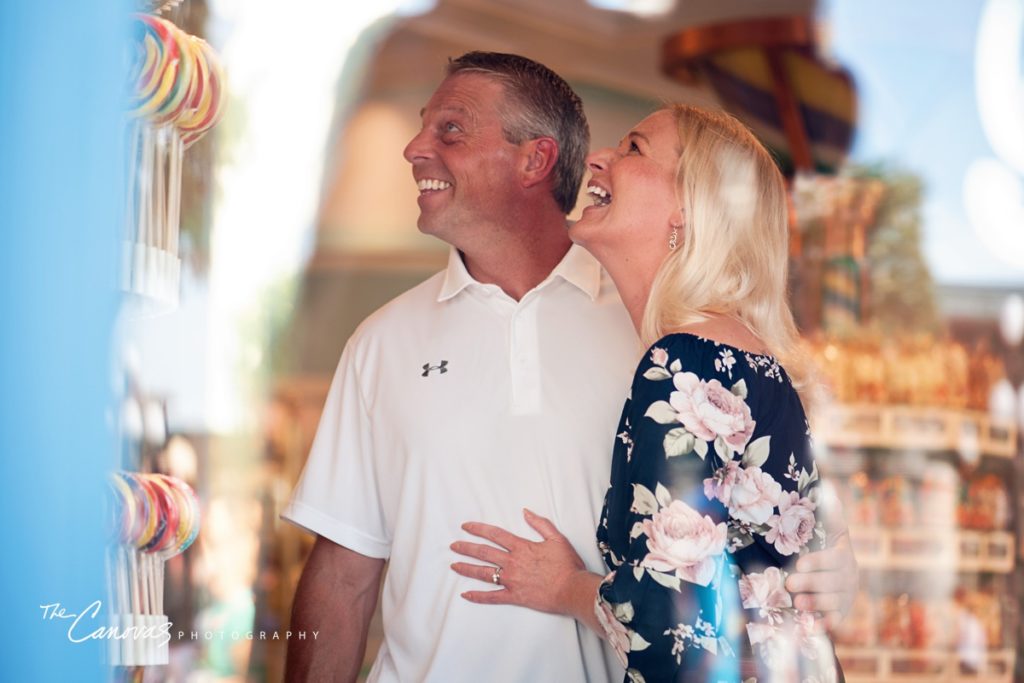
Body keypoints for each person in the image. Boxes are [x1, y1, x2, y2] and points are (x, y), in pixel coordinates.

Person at [284, 53, 855, 682]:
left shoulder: (670, 349)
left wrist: (564, 587)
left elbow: (673, 613)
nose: (415, 148)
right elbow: (341, 576)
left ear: (536, 159)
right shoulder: (380, 342)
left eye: (451, 128)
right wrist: (821, 564)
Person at [450, 105, 844, 681]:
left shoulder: (687, 361)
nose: (598, 158)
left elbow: (668, 623)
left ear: (690, 205)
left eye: (634, 148)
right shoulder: (743, 356)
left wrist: (564, 587)